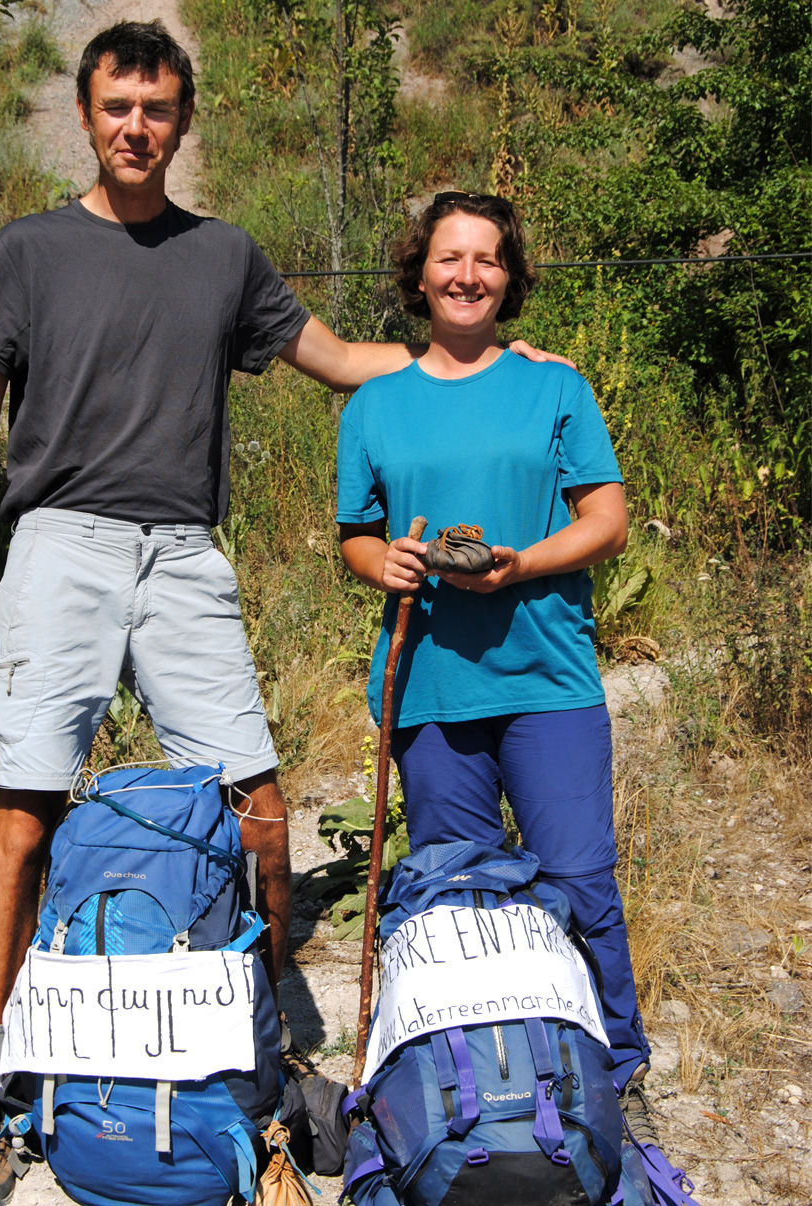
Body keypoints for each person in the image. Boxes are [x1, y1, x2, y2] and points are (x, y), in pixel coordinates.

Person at [0, 24, 563, 1204]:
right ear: (84, 111)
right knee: (21, 814)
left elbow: (334, 359)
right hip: (58, 543)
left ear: (182, 119)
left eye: (155, 109)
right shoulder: (29, 249)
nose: (134, 127)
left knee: (260, 815)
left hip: (182, 556)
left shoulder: (224, 255)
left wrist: (471, 356)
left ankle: (255, 1075)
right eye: (116, 106)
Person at [336, 192, 654, 1138]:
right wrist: (384, 559)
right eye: (449, 258)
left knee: (578, 884)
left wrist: (523, 562)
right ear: (419, 273)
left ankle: (613, 1078)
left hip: (548, 676)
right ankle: (483, 1090)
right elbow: (357, 535)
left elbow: (607, 520)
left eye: (486, 259)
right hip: (430, 681)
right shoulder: (375, 404)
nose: (467, 275)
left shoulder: (554, 386)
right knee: (459, 903)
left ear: (509, 277)